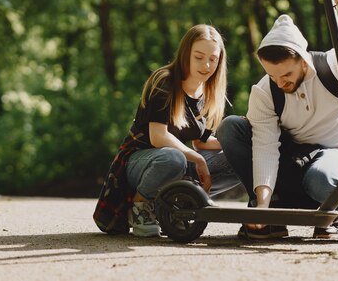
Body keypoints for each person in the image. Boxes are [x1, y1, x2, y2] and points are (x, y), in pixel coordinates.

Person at [217, 0, 338, 240]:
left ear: (303, 59)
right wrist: (262, 207)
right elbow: (264, 147)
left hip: (334, 158)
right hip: (291, 162)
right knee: (231, 127)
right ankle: (273, 214)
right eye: (272, 76)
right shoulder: (265, 91)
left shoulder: (333, 66)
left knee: (320, 178)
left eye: (286, 74)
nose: (279, 82)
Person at [93, 24, 240, 237]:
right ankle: (140, 206)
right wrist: (197, 160)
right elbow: (158, 136)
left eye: (213, 58)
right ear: (185, 54)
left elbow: (202, 143)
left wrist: (243, 141)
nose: (206, 65)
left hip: (176, 165)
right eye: (199, 57)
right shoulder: (165, 81)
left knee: (237, 159)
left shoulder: (206, 93)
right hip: (140, 163)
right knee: (174, 158)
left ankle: (182, 203)